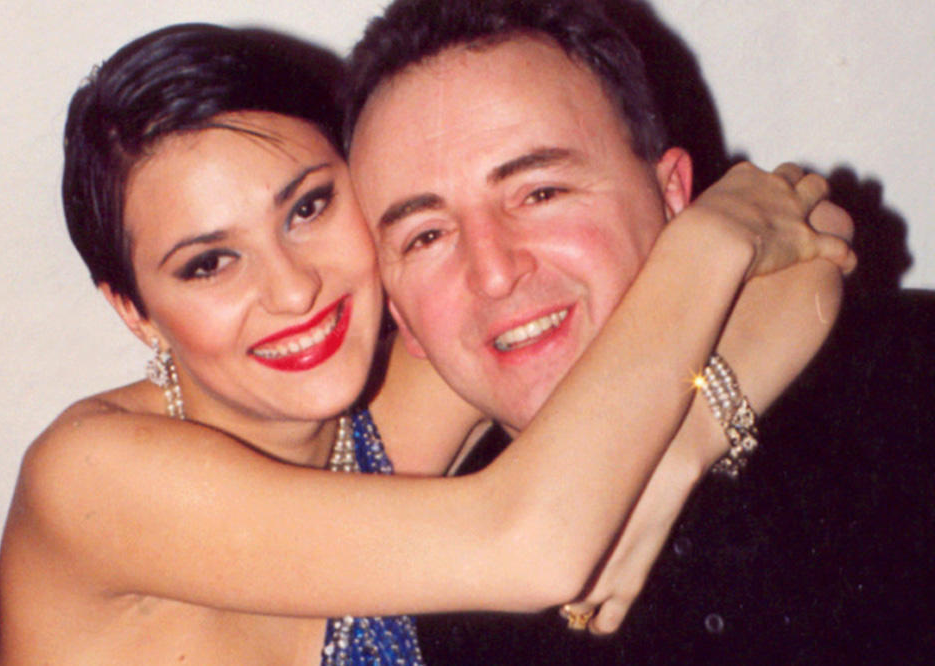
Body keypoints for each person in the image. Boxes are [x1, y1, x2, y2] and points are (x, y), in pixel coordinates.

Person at [0, 21, 851, 666]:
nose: (293, 290)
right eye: (209, 263)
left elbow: (810, 248)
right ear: (135, 312)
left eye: (308, 208)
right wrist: (707, 243)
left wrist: (686, 445)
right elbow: (532, 545)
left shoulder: (385, 411)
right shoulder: (93, 477)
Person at [344, 0, 932, 663]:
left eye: (541, 193)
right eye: (426, 236)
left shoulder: (905, 388)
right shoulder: (409, 614)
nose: (494, 273)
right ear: (401, 317)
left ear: (675, 196)